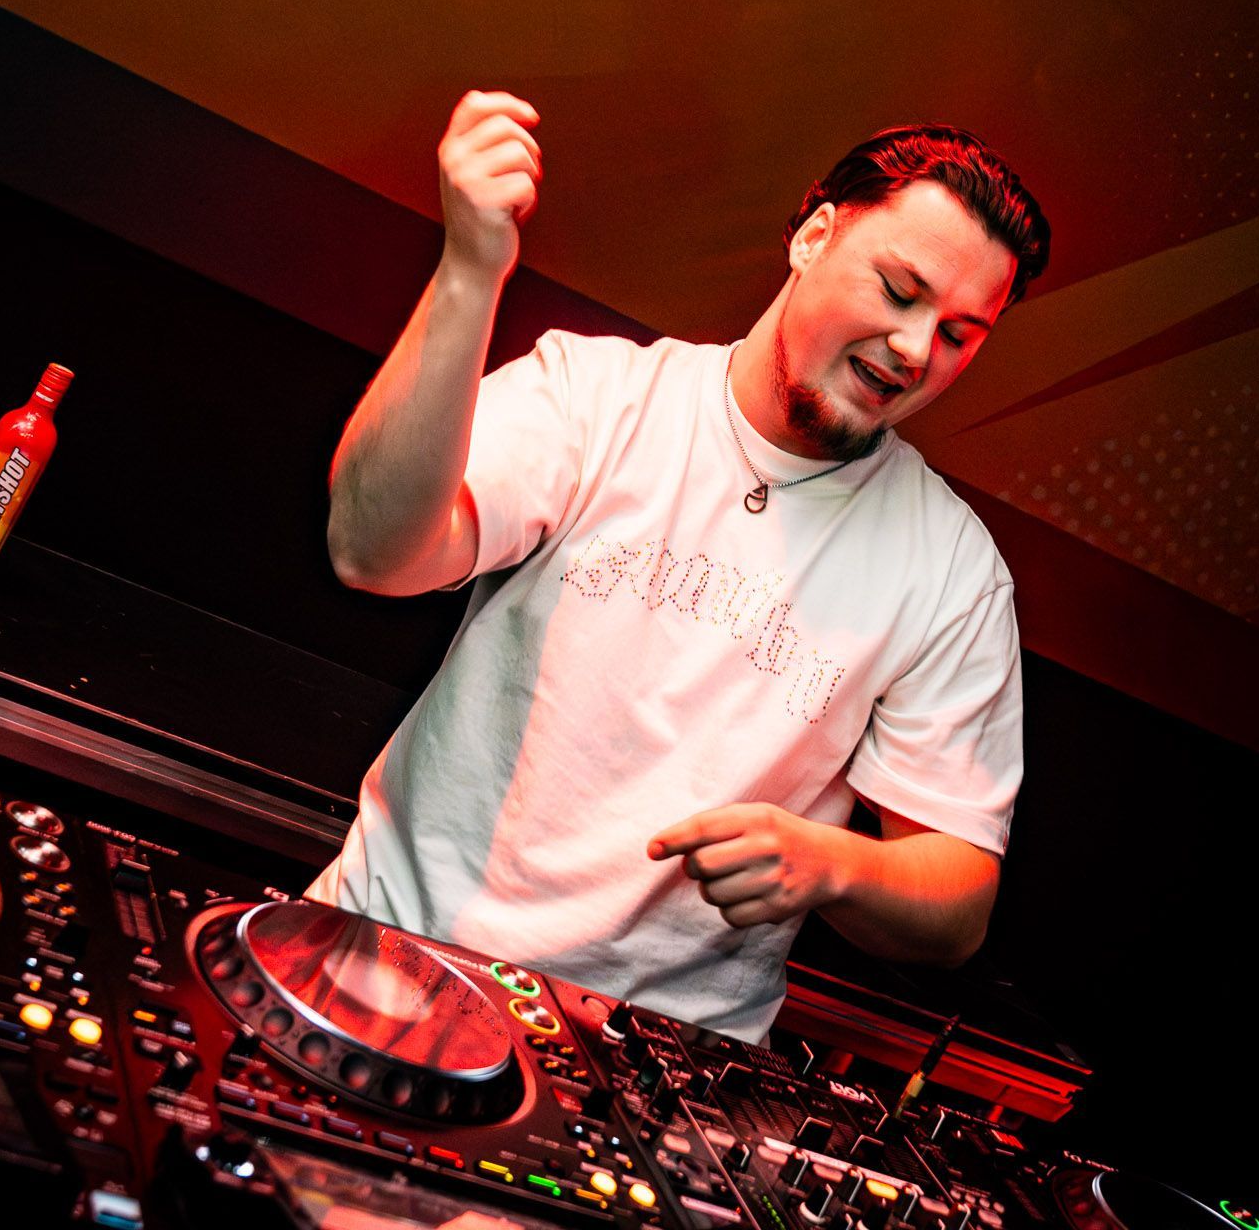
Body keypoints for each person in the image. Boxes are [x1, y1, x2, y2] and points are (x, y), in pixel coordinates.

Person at [310, 90, 1051, 1042]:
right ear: (815, 237)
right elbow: (371, 550)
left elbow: (958, 907)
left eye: (956, 334)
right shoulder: (597, 397)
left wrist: (834, 865)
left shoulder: (952, 571)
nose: (915, 350)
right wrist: (469, 272)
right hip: (389, 959)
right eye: (900, 292)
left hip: (648, 1059)